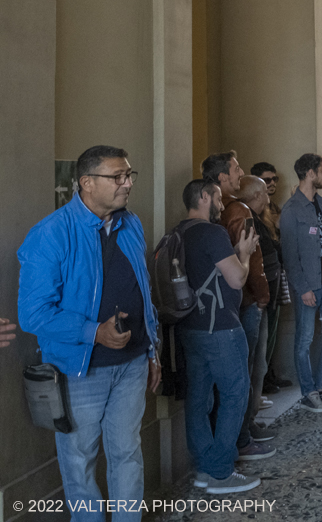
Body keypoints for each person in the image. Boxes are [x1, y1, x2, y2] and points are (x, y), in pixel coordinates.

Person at [18, 145, 162, 517]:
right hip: (80, 370)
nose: (127, 184)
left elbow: (144, 289)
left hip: (131, 364)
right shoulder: (51, 234)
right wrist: (94, 332)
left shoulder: (132, 223)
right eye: (118, 176)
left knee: (127, 454)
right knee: (79, 463)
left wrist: (152, 349)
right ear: (86, 183)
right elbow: (32, 314)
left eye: (129, 175)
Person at [176, 178, 262, 494]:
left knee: (198, 398)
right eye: (218, 198)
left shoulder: (177, 232)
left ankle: (204, 468)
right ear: (203, 196)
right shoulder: (212, 234)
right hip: (221, 328)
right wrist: (245, 252)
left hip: (189, 328)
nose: (223, 205)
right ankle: (220, 471)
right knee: (235, 394)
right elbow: (237, 278)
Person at [201, 152, 273, 461]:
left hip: (226, 305)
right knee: (244, 374)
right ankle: (240, 438)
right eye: (236, 169)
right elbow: (250, 260)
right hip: (244, 303)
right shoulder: (238, 211)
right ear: (222, 179)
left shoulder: (220, 214)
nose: (241, 173)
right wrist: (262, 296)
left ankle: (243, 431)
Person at [279, 153, 322, 413]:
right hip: (307, 285)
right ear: (310, 173)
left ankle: (321, 386)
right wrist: (302, 288)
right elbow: (289, 255)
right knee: (305, 340)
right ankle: (308, 392)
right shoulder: (291, 210)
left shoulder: (321, 204)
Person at [236, 176, 278, 446]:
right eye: (264, 192)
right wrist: (262, 295)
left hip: (260, 299)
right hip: (252, 302)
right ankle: (245, 425)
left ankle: (249, 419)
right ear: (255, 195)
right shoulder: (244, 218)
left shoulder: (259, 217)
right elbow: (250, 262)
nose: (269, 198)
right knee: (251, 361)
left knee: (258, 359)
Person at [250, 161, 291, 393]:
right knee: (264, 333)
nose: (272, 184)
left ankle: (269, 375)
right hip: (264, 279)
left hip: (277, 274)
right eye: (267, 180)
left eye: (275, 179)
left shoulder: (273, 207)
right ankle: (262, 381)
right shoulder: (251, 214)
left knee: (271, 331)